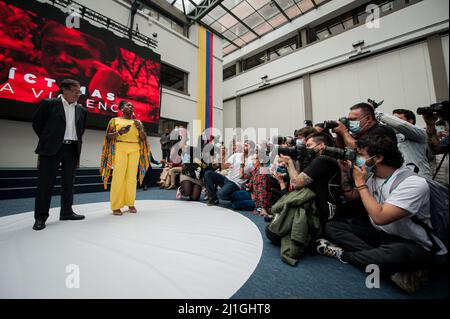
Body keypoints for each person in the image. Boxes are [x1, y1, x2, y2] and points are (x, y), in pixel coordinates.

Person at [316, 135, 447, 293]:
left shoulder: (413, 183)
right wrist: (345, 172)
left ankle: (343, 255)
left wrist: (360, 183)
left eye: (360, 154)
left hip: (415, 245)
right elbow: (351, 196)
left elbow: (380, 217)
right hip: (383, 237)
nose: (355, 158)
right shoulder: (372, 178)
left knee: (393, 254)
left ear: (377, 158)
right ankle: (390, 269)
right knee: (332, 227)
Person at [32, 79, 87, 231]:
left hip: (71, 150)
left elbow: (80, 130)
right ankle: (40, 217)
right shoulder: (49, 104)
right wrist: (50, 139)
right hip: (51, 149)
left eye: (79, 92)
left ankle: (67, 212)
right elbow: (37, 124)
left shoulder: (82, 110)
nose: (78, 95)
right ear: (64, 89)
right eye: (75, 92)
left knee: (69, 183)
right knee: (45, 184)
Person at [278, 132, 341, 222]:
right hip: (325, 207)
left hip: (322, 212)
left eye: (309, 145)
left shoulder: (321, 160)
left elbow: (295, 183)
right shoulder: (328, 158)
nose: (306, 149)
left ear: (321, 145)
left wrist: (290, 162)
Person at [100, 101, 149, 215]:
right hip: (120, 146)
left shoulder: (138, 122)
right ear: (121, 108)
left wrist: (140, 129)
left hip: (135, 148)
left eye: (132, 106)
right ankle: (116, 206)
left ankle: (130, 203)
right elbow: (108, 136)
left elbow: (143, 138)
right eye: (128, 105)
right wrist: (120, 132)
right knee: (118, 176)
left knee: (132, 178)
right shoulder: (115, 120)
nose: (131, 107)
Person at [376, 109, 431, 178]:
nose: (393, 122)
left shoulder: (420, 134)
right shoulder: (393, 137)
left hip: (420, 177)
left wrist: (377, 114)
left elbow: (399, 125)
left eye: (397, 119)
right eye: (393, 119)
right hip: (401, 178)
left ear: (410, 121)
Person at [204, 141, 254, 206]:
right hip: (227, 179)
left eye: (247, 145)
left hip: (236, 183)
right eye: (244, 145)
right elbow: (224, 166)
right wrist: (217, 164)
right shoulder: (236, 155)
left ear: (252, 148)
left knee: (220, 194)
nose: (244, 147)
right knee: (208, 173)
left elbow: (252, 175)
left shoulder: (252, 161)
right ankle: (213, 198)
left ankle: (236, 197)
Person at [333, 102, 397, 148]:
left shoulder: (382, 130)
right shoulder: (360, 132)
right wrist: (339, 134)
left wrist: (344, 132)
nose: (350, 123)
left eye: (353, 120)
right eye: (349, 120)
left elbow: (358, 149)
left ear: (368, 119)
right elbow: (341, 147)